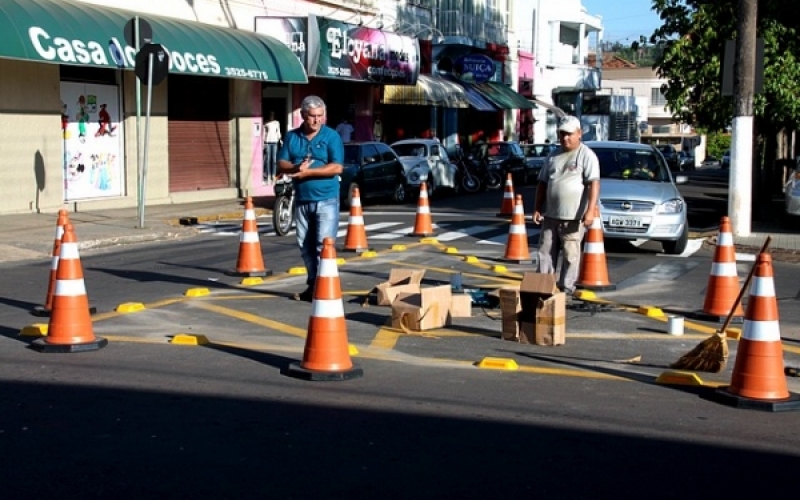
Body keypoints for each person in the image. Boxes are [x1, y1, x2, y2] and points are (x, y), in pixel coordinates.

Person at [277, 96, 344, 302]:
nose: (316, 121)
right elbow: (282, 162)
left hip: (326, 199)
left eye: (319, 116)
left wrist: (309, 173)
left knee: (323, 245)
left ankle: (325, 287)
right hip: (303, 199)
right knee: (305, 246)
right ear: (302, 116)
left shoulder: (331, 136)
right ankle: (313, 285)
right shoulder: (292, 137)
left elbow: (337, 167)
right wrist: (296, 168)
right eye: (312, 116)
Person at [532, 115, 600, 296]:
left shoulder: (587, 156)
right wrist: (537, 208)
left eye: (569, 134)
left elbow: (594, 184)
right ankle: (543, 287)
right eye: (562, 134)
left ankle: (566, 288)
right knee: (545, 252)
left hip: (573, 217)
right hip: (551, 215)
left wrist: (590, 210)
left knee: (571, 255)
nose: (565, 138)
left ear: (579, 134)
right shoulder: (553, 155)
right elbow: (542, 183)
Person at [263, 112, 281, 184]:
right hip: (267, 142)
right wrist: (264, 143)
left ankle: (273, 175)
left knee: (274, 159)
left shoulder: (277, 123)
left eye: (273, 115)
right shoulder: (266, 123)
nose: (271, 116)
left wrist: (279, 139)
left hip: (275, 142)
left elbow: (278, 132)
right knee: (268, 160)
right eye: (270, 115)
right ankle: (268, 175)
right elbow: (264, 133)